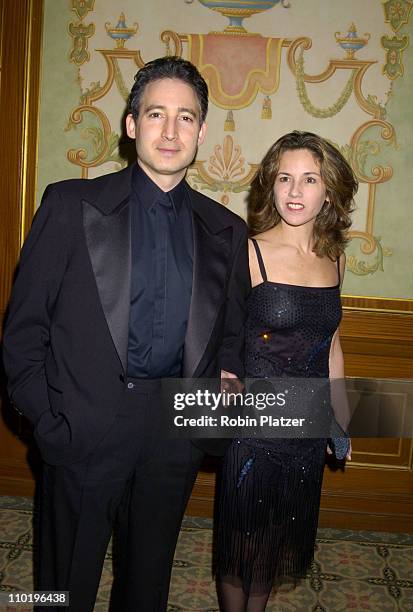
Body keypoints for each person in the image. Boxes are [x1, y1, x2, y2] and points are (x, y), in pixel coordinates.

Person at [3, 56, 250, 611]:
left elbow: (230, 336)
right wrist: (51, 418)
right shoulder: (70, 206)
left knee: (147, 588)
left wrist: (224, 392)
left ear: (202, 132)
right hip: (84, 426)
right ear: (131, 124)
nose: (170, 130)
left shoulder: (226, 231)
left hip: (174, 433)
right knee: (61, 590)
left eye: (186, 118)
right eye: (156, 114)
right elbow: (23, 332)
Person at [216, 131, 357, 611]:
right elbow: (222, 343)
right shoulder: (248, 252)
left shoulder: (335, 258)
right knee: (243, 545)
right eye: (285, 178)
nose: (295, 192)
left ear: (328, 189)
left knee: (277, 537)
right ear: (270, 187)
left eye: (309, 179)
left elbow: (332, 344)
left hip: (305, 427)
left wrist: (339, 420)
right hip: (253, 429)